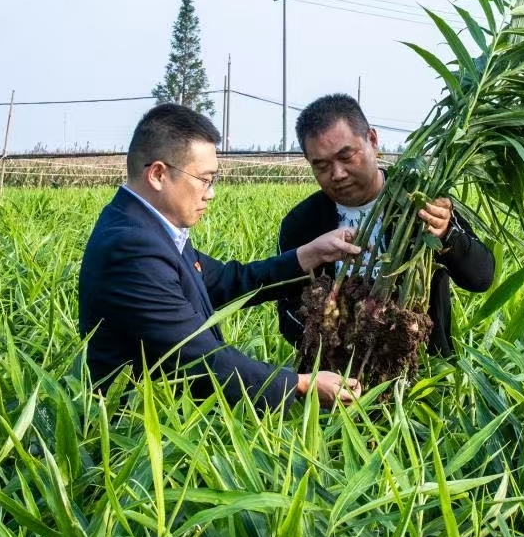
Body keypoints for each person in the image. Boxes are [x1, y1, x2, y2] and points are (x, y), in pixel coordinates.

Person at [79, 103, 363, 410]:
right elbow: (198, 360)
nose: (210, 193)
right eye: (205, 179)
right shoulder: (132, 247)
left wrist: (310, 254)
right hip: (143, 430)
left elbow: (225, 281)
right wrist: (301, 384)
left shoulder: (151, 229)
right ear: (159, 174)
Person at [277, 94, 495, 357]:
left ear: (372, 140)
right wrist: (332, 340)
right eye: (321, 165)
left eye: (346, 157)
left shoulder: (423, 200)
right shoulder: (301, 224)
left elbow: (481, 277)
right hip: (335, 383)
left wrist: (447, 233)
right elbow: (287, 311)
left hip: (424, 370)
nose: (337, 174)